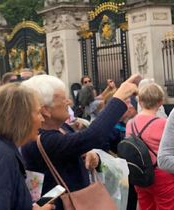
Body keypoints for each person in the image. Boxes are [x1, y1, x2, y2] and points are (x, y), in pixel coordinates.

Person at [20, 74, 139, 210]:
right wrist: (118, 98)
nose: (69, 102)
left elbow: (78, 145)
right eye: (63, 98)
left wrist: (90, 155)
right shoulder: (42, 140)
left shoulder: (61, 128)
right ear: (46, 110)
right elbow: (93, 136)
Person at [127, 83, 174, 210]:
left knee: (146, 206)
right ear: (160, 102)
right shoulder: (163, 123)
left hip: (140, 174)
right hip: (162, 175)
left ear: (140, 102)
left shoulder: (130, 123)